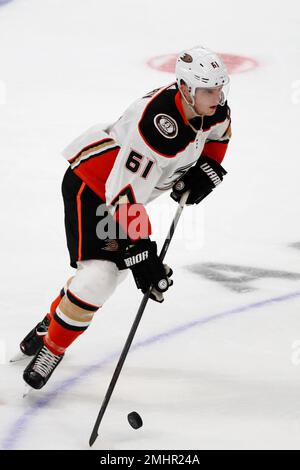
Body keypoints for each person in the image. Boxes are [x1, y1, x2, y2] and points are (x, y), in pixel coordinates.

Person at [20, 45, 232, 390]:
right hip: (94, 187)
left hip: (125, 193)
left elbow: (219, 136)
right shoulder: (156, 128)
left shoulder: (213, 107)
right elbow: (121, 196)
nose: (217, 96)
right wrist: (141, 252)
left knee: (108, 273)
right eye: (209, 89)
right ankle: (52, 348)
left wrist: (208, 167)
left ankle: (53, 322)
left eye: (220, 87)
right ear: (184, 89)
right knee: (103, 275)